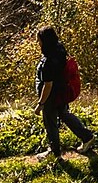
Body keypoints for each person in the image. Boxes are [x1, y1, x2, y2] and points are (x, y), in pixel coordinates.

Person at [34, 25, 92, 160]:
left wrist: (40, 104)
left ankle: (55, 153)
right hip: (62, 91)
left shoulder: (48, 62)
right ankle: (87, 137)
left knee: (50, 123)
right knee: (65, 115)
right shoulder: (60, 49)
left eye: (39, 40)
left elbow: (48, 85)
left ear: (44, 42)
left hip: (51, 96)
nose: (38, 43)